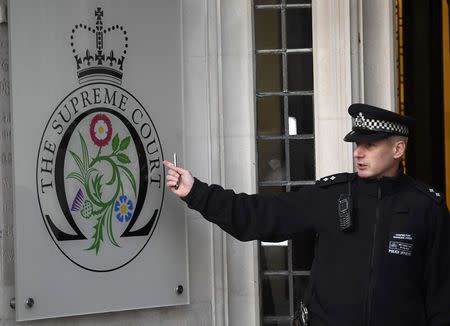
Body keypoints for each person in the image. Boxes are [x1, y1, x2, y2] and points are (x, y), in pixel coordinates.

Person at [163, 103, 450, 326]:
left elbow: (441, 296)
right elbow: (261, 215)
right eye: (356, 144)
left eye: (370, 145)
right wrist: (196, 192)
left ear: (398, 148)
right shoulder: (330, 196)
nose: (358, 153)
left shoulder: (427, 207)